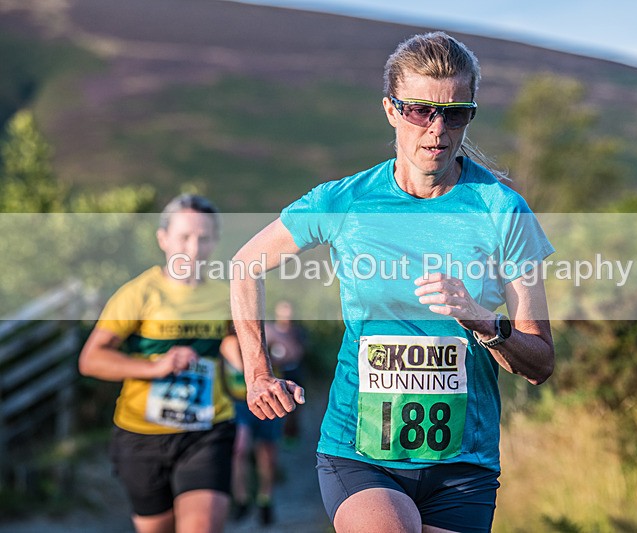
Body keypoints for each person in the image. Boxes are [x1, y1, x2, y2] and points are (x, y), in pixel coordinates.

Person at [230, 31, 555, 533]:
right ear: (391, 110)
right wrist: (257, 371)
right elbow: (244, 265)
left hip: (462, 464)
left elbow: (539, 363)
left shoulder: (502, 210)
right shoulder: (345, 201)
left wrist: (483, 321)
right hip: (361, 452)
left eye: (455, 112)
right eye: (420, 111)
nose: (437, 128)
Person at [79, 194, 239, 533]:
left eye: (204, 238)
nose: (194, 248)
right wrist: (156, 367)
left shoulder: (226, 295)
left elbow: (232, 343)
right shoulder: (138, 294)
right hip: (142, 435)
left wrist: (256, 368)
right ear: (163, 238)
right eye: (184, 237)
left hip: (207, 429)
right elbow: (91, 360)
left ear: (215, 242)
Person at [221, 339, 284, 525]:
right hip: (238, 402)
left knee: (267, 453)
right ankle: (242, 499)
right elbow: (239, 366)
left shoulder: (268, 331)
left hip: (268, 397)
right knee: (239, 449)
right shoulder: (227, 341)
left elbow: (290, 352)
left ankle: (265, 499)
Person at [264, 299, 308, 442]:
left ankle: (291, 436)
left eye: (288, 310)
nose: (286, 314)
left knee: (295, 407)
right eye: (283, 309)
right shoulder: (269, 329)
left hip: (294, 372)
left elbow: (299, 352)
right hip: (276, 373)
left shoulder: (297, 331)